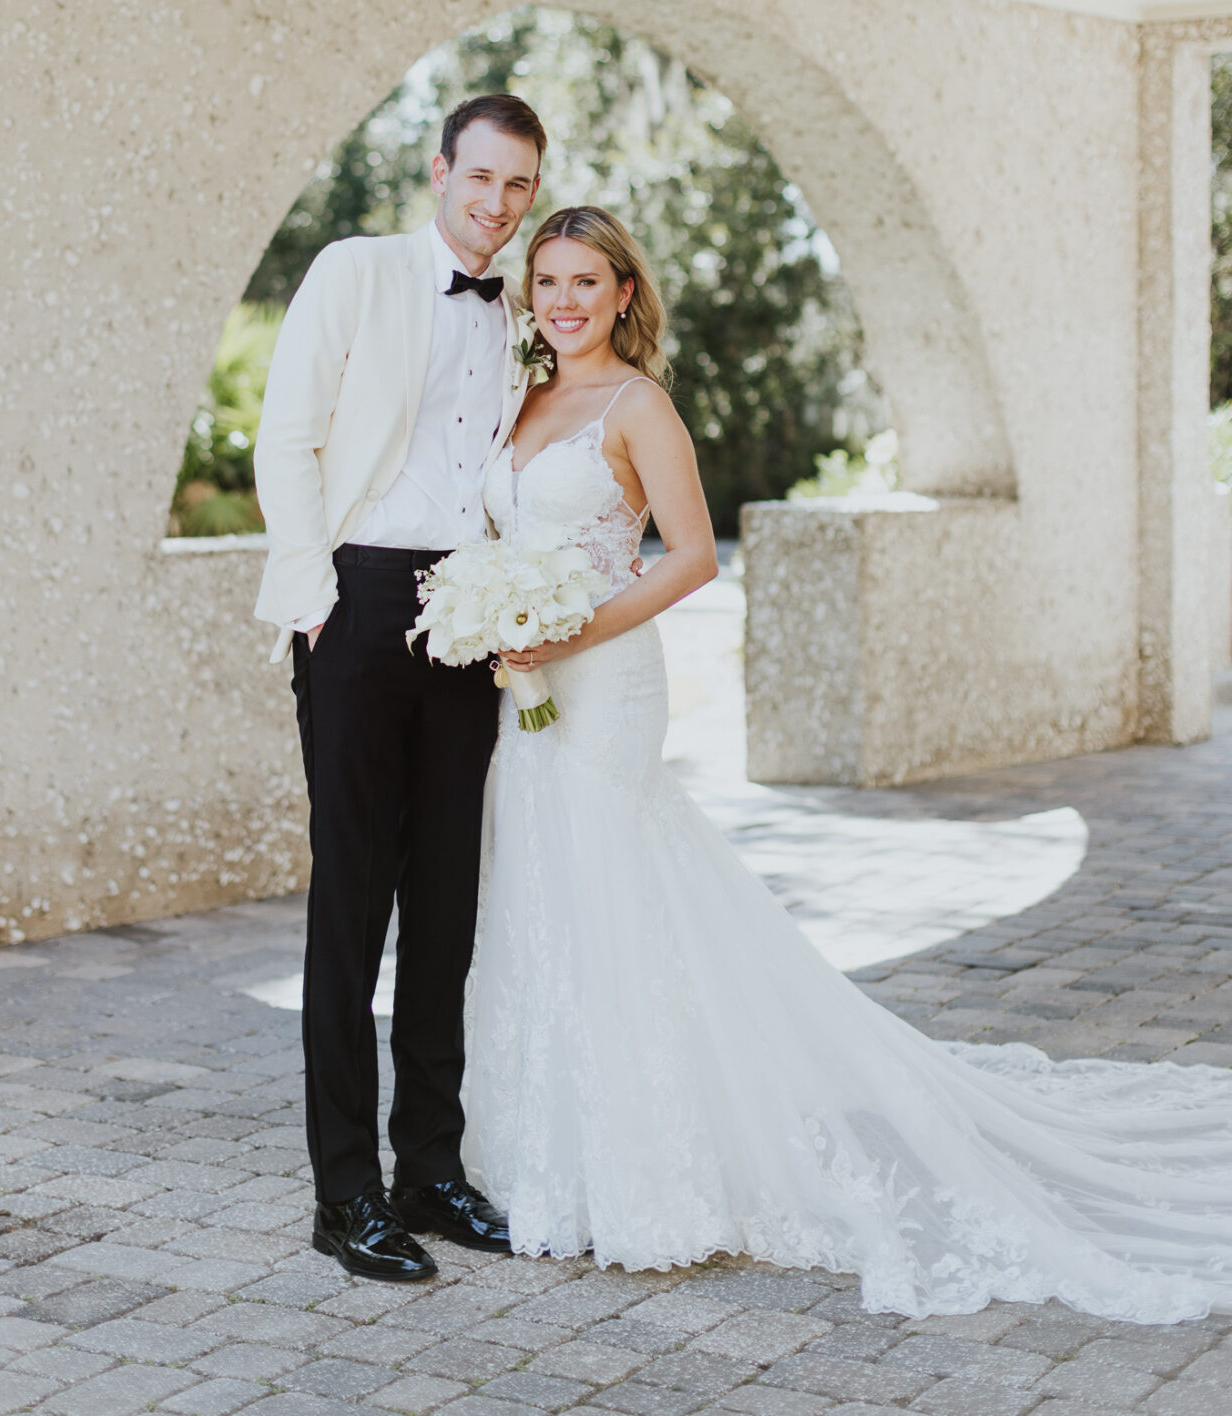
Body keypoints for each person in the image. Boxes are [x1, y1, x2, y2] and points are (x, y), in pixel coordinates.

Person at [467, 204, 1232, 1323]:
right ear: (528, 294)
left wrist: (565, 630)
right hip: (523, 682)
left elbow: (689, 561)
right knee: (540, 891)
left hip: (606, 675)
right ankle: (546, 1158)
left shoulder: (639, 407)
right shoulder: (517, 399)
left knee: (612, 889)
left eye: (587, 281)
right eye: (547, 282)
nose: (565, 301)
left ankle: (650, 1173)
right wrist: (488, 613)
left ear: (624, 293)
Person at [252, 94, 546, 1282]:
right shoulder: (356, 271)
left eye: (518, 186)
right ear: (439, 171)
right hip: (360, 601)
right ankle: (345, 1194)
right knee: (352, 899)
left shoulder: (526, 308)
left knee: (447, 905)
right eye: (480, 179)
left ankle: (431, 1168)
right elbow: (287, 434)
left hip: (471, 612)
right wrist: (315, 594)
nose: (496, 204)